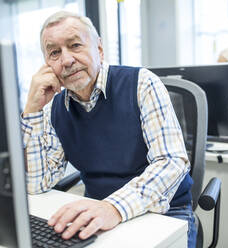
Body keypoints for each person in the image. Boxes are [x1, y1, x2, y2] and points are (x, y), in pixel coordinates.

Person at [21, 10, 197, 247]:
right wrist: (31, 111)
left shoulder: (141, 83)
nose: (66, 60)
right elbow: (37, 183)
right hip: (97, 214)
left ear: (99, 49)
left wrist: (114, 207)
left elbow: (171, 162)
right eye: (54, 52)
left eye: (75, 45)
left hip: (163, 213)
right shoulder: (54, 107)